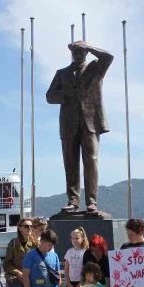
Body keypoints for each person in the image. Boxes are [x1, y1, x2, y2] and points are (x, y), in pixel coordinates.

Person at [45, 40, 114, 213]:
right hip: (68, 124)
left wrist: (90, 47)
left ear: (86, 53)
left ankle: (92, 201)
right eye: (75, 51)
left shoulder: (95, 68)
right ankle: (73, 200)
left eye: (81, 51)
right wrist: (65, 93)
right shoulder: (62, 73)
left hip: (90, 122)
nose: (78, 54)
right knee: (70, 162)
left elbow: (108, 57)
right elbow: (50, 96)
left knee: (91, 161)